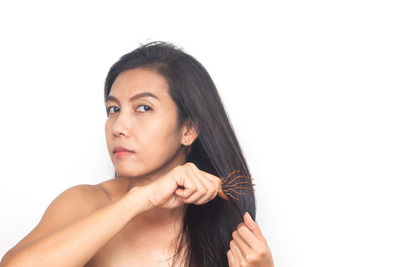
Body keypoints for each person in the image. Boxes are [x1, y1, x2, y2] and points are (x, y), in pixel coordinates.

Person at [0, 41, 274, 267]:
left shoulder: (221, 217)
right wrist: (141, 198)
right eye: (113, 109)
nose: (118, 127)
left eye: (143, 108)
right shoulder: (85, 203)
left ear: (187, 130)